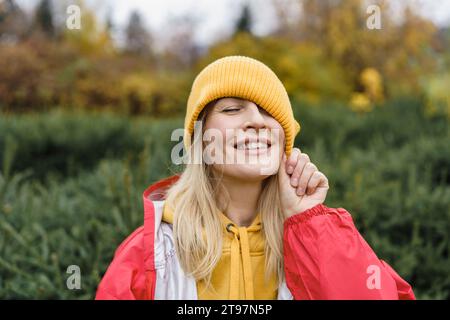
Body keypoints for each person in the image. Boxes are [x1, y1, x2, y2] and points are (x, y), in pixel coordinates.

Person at [95, 55, 415, 300]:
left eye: (268, 111)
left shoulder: (314, 239)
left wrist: (310, 223)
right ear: (200, 140)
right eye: (232, 110)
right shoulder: (149, 255)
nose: (256, 121)